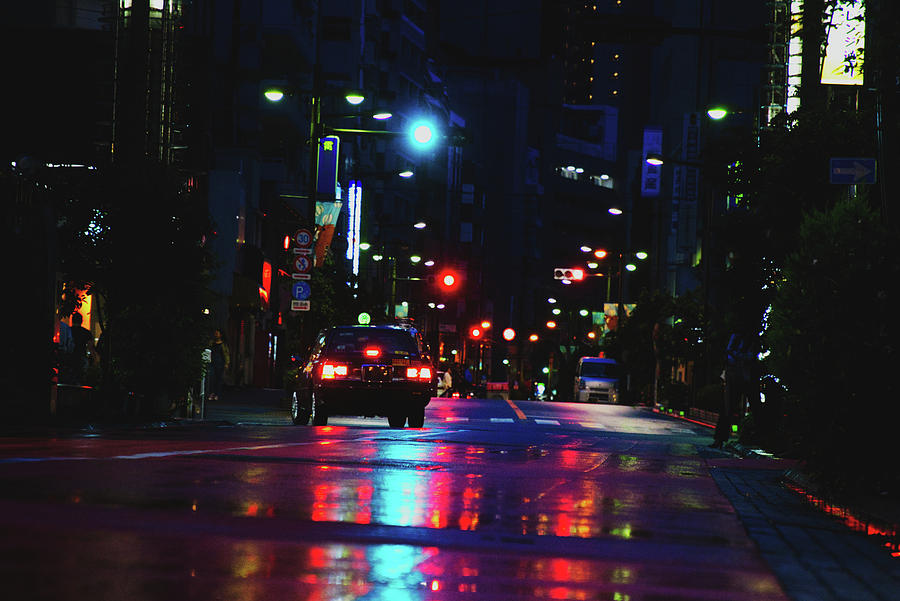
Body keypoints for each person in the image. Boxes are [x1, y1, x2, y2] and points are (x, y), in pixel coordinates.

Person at [711, 333, 752, 448]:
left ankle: (722, 438)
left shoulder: (745, 338)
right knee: (727, 407)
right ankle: (720, 438)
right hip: (737, 376)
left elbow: (732, 353)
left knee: (728, 407)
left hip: (741, 376)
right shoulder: (737, 337)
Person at [70, 312, 97, 385]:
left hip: (69, 358)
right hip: (81, 358)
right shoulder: (86, 333)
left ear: (72, 320)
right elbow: (90, 347)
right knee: (81, 379)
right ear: (81, 321)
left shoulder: (68, 331)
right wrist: (95, 361)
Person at [208, 329, 229, 401]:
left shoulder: (223, 344)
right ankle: (212, 393)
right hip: (212, 362)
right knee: (212, 377)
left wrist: (227, 363)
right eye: (215, 333)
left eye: (217, 333)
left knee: (219, 379)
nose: (216, 335)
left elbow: (226, 354)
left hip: (220, 363)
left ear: (221, 335)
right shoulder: (212, 343)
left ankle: (217, 394)